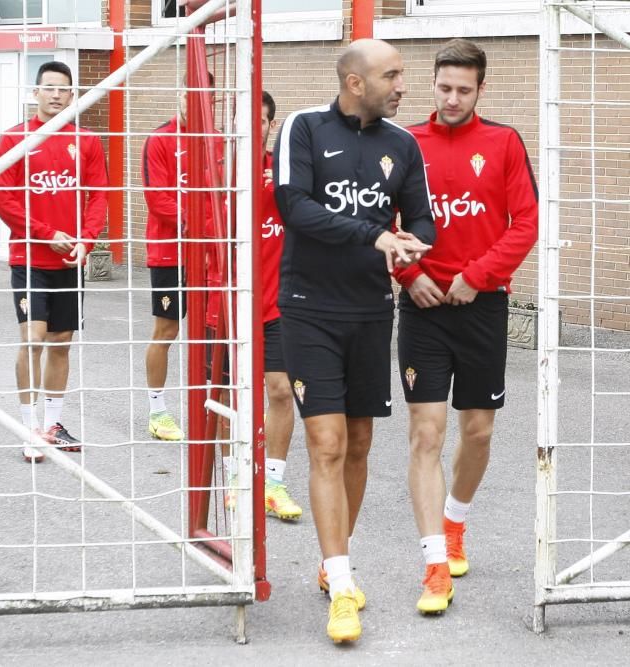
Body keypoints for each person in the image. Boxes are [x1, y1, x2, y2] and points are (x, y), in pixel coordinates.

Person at [273, 39, 434, 643]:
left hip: (371, 310)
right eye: (392, 74)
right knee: (328, 442)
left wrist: (415, 243)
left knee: (361, 443)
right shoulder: (304, 129)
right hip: (309, 309)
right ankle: (343, 585)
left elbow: (421, 220)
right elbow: (295, 208)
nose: (402, 85)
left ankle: (330, 558)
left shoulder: (403, 143)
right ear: (355, 82)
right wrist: (373, 236)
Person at [394, 39, 538, 615]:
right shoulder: (404, 143)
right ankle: (434, 565)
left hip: (481, 306)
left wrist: (478, 276)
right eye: (443, 87)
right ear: (433, 83)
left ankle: (455, 524)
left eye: (464, 90)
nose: (452, 99)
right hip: (423, 307)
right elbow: (383, 222)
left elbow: (524, 222)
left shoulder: (502, 143)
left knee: (476, 430)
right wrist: (410, 277)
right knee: (425, 435)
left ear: (481, 89)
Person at [0, 61, 108, 463]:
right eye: (49, 88)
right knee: (33, 340)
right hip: (29, 258)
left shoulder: (87, 142)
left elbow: (99, 197)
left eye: (63, 89)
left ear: (73, 95)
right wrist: (47, 233)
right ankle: (28, 427)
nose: (56, 94)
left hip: (70, 262)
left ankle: (52, 425)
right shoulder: (13, 140)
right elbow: (3, 200)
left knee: (61, 343)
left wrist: (86, 241)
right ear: (35, 92)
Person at [218, 92, 303, 522]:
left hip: (277, 304)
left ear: (272, 127)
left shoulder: (283, 175)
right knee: (229, 396)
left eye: (263, 121)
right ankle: (235, 478)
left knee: (280, 391)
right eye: (245, 120)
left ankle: (271, 482)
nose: (255, 127)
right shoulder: (215, 176)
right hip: (228, 306)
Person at [142, 71, 223, 444]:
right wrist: (200, 224)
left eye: (202, 94)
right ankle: (158, 411)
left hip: (211, 256)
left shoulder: (220, 143)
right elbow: (159, 200)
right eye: (188, 92)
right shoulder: (160, 139)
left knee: (212, 333)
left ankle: (213, 410)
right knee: (168, 329)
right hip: (171, 254)